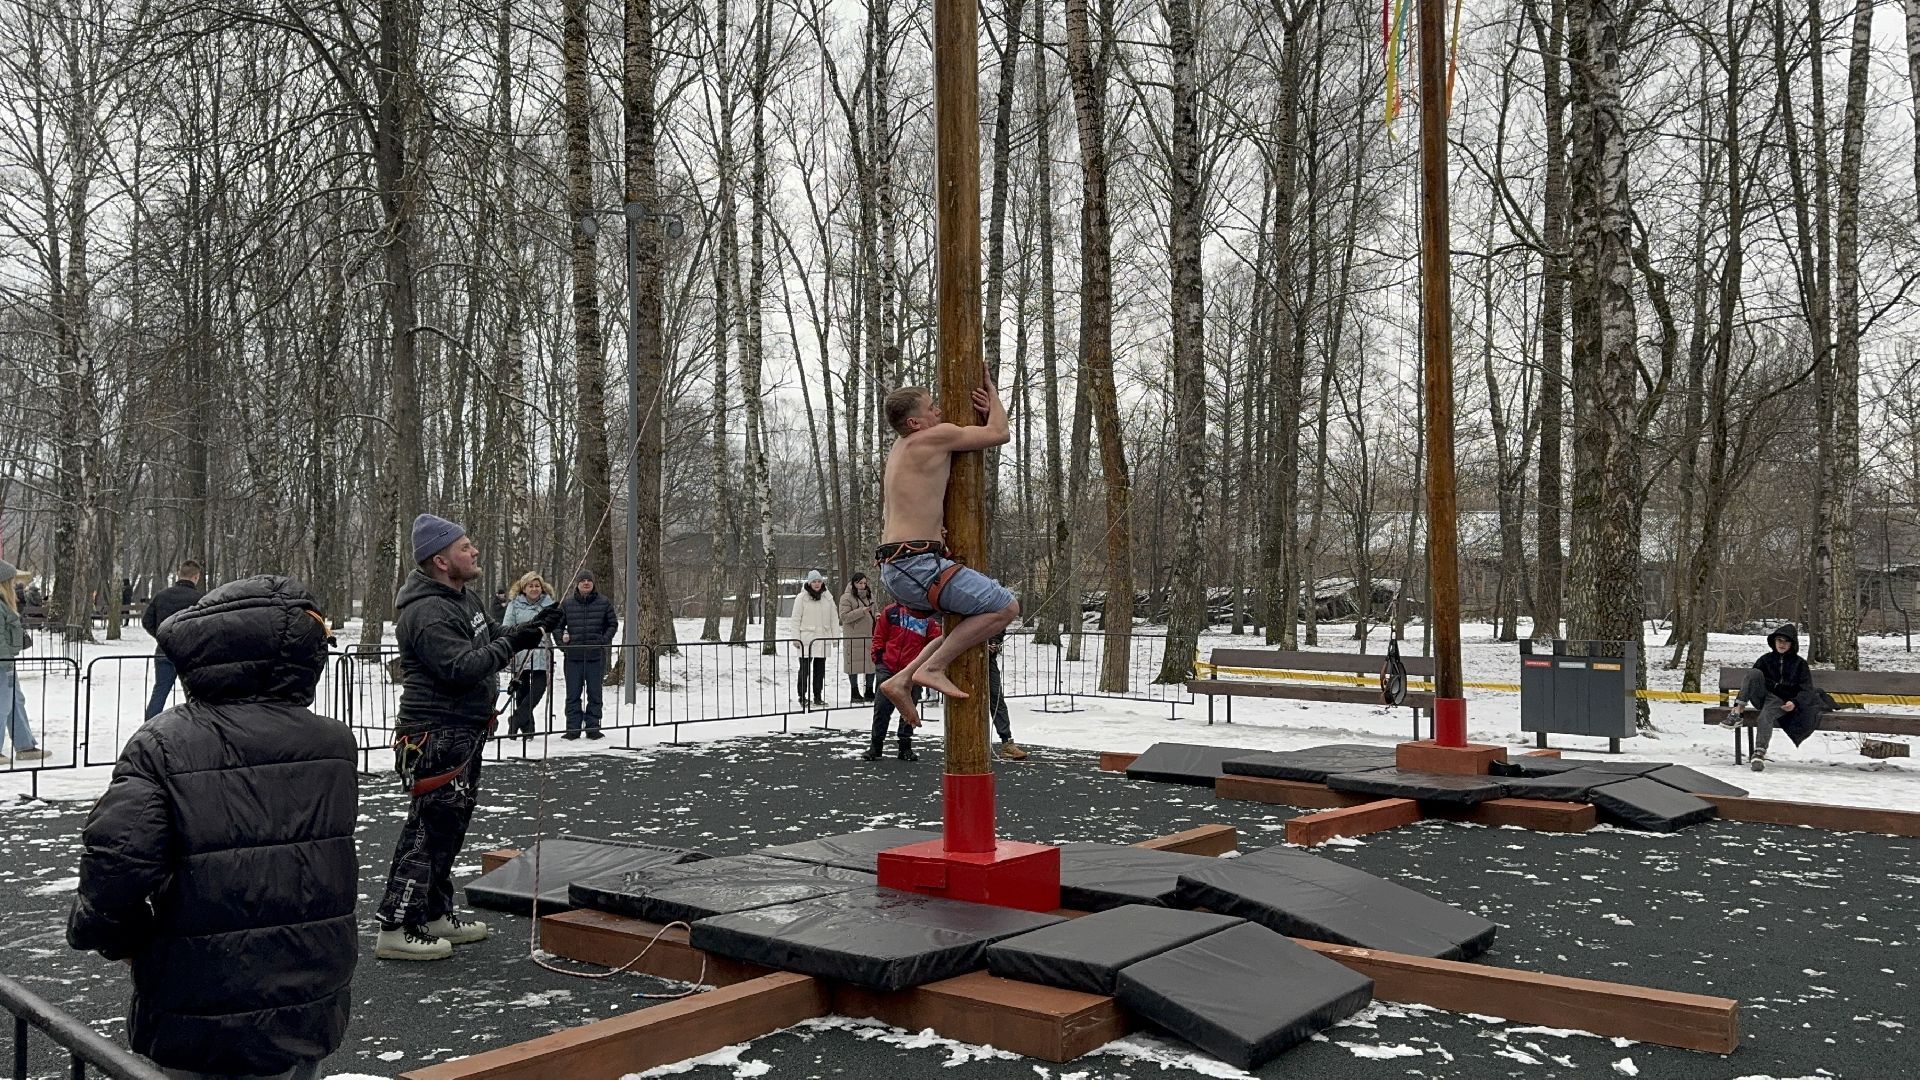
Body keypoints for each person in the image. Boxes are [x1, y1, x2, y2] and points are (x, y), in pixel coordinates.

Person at [68, 576, 358, 1080]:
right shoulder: (333, 740)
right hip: (311, 984)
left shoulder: (164, 741)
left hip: (204, 988)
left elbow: (114, 868)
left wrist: (123, 940)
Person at [376, 514, 559, 960]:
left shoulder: (465, 597)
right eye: (465, 548)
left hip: (465, 730)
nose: (474, 552)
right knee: (429, 828)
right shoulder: (426, 612)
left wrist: (534, 626)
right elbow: (461, 667)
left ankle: (434, 911)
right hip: (435, 733)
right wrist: (515, 645)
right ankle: (397, 925)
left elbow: (493, 637)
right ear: (440, 560)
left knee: (451, 828)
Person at [874, 381, 1020, 725]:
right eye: (931, 408)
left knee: (960, 626)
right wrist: (994, 397)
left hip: (900, 566)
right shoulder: (932, 437)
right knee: (1005, 606)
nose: (939, 410)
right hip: (917, 565)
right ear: (915, 423)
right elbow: (999, 432)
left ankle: (903, 678)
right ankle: (933, 668)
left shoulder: (899, 448)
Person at [1721, 623, 1822, 772]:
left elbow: (1806, 689)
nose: (1782, 644)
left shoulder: (1800, 664)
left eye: (1786, 641)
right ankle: (1737, 712)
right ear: (1774, 641)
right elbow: (1751, 681)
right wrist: (1739, 702)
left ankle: (1759, 753)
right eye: (1779, 640)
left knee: (1765, 717)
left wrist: (1794, 702)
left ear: (1792, 644)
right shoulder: (1765, 660)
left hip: (1780, 701)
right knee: (1753, 673)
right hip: (1761, 696)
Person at [868, 599, 942, 761]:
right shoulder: (890, 612)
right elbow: (879, 636)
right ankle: (876, 745)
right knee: (881, 707)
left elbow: (933, 642)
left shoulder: (927, 618)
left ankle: (905, 746)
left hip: (912, 670)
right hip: (887, 666)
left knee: (908, 708)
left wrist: (921, 666)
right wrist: (879, 659)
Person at [141, 560, 204, 720]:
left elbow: (146, 621)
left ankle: (148, 726)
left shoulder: (162, 596)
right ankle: (196, 726)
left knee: (160, 691)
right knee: (193, 694)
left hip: (164, 651)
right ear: (196, 577)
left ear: (178, 574)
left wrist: (161, 635)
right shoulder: (200, 599)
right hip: (189, 653)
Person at [558, 570, 617, 739]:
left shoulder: (604, 603)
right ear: (577, 584)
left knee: (595, 694)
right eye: (582, 580)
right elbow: (557, 626)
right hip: (573, 657)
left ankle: (593, 727)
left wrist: (603, 640)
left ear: (593, 583)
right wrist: (562, 645)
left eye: (588, 581)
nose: (586, 583)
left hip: (595, 656)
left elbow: (612, 624)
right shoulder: (567, 604)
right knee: (573, 694)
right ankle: (572, 728)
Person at [0, 560, 48, 765]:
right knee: (2, 705)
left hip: (7, 662)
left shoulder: (4, 604)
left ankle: (25, 745)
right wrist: (6, 660)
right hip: (3, 663)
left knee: (15, 702)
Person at [500, 572, 557, 740]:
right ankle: (528, 728)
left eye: (537, 586)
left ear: (542, 588)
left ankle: (517, 718)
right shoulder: (514, 604)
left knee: (539, 688)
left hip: (541, 651)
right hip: (522, 651)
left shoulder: (549, 604)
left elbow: (556, 624)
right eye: (530, 586)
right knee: (522, 689)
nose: (534, 589)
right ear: (523, 588)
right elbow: (508, 626)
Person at [790, 570, 838, 709]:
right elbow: (795, 619)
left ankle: (817, 696)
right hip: (806, 639)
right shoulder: (801, 598)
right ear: (809, 583)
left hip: (823, 638)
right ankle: (802, 696)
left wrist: (835, 638)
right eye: (814, 581)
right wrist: (795, 638)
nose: (817, 584)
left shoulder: (828, 598)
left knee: (820, 669)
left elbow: (834, 619)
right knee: (804, 669)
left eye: (819, 581)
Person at [985, 632, 1028, 760]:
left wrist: (993, 643)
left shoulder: (997, 613)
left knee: (997, 699)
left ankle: (1007, 743)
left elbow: (998, 630)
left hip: (988, 660)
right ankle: (967, 741)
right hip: (964, 659)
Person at [839, 572, 879, 703]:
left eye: (864, 583)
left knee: (871, 664)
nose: (862, 585)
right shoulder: (846, 598)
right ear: (854, 583)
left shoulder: (870, 596)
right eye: (859, 583)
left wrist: (877, 615)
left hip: (870, 635)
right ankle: (854, 691)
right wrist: (861, 611)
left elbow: (875, 610)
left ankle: (869, 690)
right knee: (853, 665)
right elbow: (844, 617)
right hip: (854, 636)